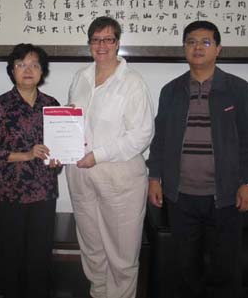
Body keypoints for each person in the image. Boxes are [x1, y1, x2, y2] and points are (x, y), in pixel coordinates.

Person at [148, 20, 248, 298]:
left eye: (205, 42)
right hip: (181, 197)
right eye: (191, 42)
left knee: (225, 269)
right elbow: (160, 138)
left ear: (218, 48)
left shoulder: (238, 89)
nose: (197, 47)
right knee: (185, 269)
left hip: (225, 196)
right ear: (184, 48)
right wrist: (154, 177)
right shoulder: (171, 91)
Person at [66, 16, 155, 298]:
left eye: (108, 39)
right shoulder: (80, 77)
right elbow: (73, 122)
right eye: (96, 39)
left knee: (121, 254)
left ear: (117, 43)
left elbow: (142, 134)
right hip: (81, 175)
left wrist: (98, 155)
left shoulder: (132, 82)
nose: (101, 45)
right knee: (92, 248)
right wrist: (61, 142)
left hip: (120, 178)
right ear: (89, 43)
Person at [0, 43, 61, 298]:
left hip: (43, 194)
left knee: (39, 257)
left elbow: (59, 149)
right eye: (21, 65)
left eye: (34, 65)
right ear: (12, 70)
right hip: (9, 195)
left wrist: (58, 159)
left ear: (42, 71)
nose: (28, 70)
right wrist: (26, 154)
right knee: (10, 257)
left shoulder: (52, 105)